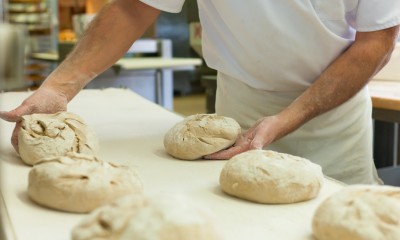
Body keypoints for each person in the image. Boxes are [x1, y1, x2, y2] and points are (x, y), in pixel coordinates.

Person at [1, 0, 399, 184]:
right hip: (239, 110)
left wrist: (285, 121)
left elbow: (375, 42)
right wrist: (59, 87)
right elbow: (133, 8)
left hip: (332, 116)